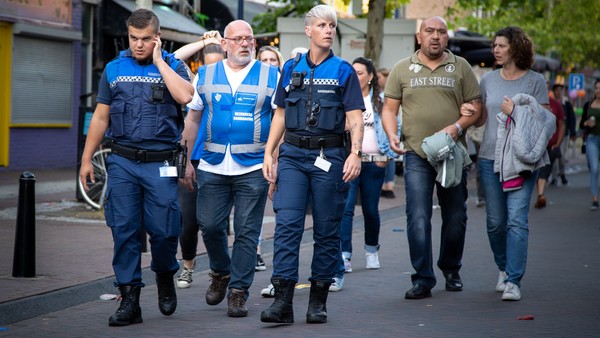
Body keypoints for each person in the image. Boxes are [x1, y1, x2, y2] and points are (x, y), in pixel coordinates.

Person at [79, 8, 193, 326]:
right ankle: (130, 300)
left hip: (161, 164)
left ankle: (165, 273)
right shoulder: (114, 69)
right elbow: (101, 117)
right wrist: (86, 159)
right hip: (123, 161)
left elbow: (185, 96)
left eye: (145, 39)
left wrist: (159, 62)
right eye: (133, 38)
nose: (138, 44)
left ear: (157, 37)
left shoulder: (173, 66)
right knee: (124, 230)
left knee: (164, 230)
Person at [260, 4, 364, 324]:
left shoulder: (343, 70)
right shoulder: (290, 67)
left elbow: (355, 118)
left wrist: (355, 153)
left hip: (330, 156)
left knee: (326, 228)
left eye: (332, 26)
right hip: (292, 155)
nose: (329, 30)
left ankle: (317, 301)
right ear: (309, 31)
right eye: (322, 25)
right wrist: (269, 152)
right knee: (287, 226)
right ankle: (283, 302)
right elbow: (279, 113)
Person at [180, 20, 279, 317]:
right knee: (209, 225)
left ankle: (238, 291)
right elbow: (193, 119)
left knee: (247, 231)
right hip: (212, 163)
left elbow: (280, 120)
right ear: (224, 44)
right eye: (238, 39)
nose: (245, 43)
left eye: (249, 39)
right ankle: (221, 272)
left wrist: (274, 157)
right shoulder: (206, 74)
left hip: (253, 165)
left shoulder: (271, 75)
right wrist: (186, 161)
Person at [381, 16, 482, 300]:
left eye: (441, 32)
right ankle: (423, 278)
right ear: (419, 36)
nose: (435, 36)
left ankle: (451, 268)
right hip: (416, 153)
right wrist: (391, 134)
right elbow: (389, 109)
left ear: (446, 38)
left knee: (455, 217)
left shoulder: (460, 67)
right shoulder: (402, 69)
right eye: (429, 31)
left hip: (452, 154)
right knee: (417, 216)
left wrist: (458, 126)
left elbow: (477, 108)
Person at [475, 26, 551, 301]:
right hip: (489, 157)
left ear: (515, 48)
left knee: (516, 221)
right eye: (494, 45)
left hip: (520, 160)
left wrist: (516, 111)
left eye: (501, 45)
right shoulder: (488, 80)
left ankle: (513, 280)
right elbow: (482, 118)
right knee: (496, 223)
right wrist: (468, 114)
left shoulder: (535, 81)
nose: (495, 49)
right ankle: (503, 267)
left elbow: (543, 121)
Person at [174, 32, 226, 289]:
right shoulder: (195, 82)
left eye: (219, 63)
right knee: (188, 220)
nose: (214, 69)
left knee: (215, 224)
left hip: (220, 162)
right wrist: (205, 42)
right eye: (210, 64)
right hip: (194, 161)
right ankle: (187, 267)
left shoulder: (232, 82)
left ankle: (222, 271)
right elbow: (174, 57)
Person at [339, 58, 396, 275]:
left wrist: (388, 155)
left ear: (371, 76)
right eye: (352, 72)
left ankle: (372, 250)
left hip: (374, 163)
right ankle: (345, 255)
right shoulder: (343, 99)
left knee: (371, 211)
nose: (355, 76)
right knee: (346, 210)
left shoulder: (381, 101)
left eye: (360, 73)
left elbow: (395, 127)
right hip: (350, 162)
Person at [533, 97, 565, 208]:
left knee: (545, 170)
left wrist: (558, 143)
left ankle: (540, 194)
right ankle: (540, 194)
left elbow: (561, 124)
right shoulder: (532, 102)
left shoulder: (555, 104)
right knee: (538, 170)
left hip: (550, 145)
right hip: (536, 145)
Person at [551, 80, 577, 186]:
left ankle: (562, 173)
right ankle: (554, 178)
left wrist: (573, 132)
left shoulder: (566, 104)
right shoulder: (551, 104)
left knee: (561, 156)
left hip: (563, 134)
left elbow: (572, 118)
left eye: (560, 90)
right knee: (553, 157)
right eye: (557, 90)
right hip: (553, 135)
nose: (558, 92)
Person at [580, 78, 600, 211]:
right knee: (594, 168)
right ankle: (594, 199)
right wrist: (586, 123)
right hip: (592, 139)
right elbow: (581, 124)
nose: (598, 90)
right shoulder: (588, 104)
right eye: (597, 88)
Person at [377, 67, 397, 199]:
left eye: (379, 77)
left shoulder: (386, 95)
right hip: (381, 128)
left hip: (386, 128)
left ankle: (388, 185)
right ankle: (385, 184)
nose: (377, 80)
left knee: (388, 156)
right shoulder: (379, 94)